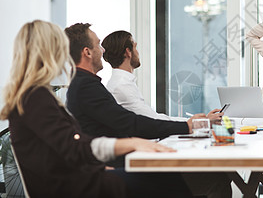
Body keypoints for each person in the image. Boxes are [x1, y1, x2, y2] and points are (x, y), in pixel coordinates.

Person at [0, 20, 193, 198]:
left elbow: (67, 146)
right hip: (71, 188)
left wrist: (99, 167)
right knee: (166, 180)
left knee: (163, 178)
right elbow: (74, 145)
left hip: (75, 181)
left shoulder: (33, 96)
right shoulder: (35, 98)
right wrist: (131, 144)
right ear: (52, 51)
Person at [65, 23, 232, 198]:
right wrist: (188, 127)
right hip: (119, 165)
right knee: (215, 179)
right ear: (87, 52)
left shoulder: (86, 84)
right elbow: (131, 123)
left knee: (210, 176)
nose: (102, 50)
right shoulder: (86, 87)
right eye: (98, 44)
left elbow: (129, 122)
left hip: (124, 160)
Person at [101, 30, 222, 122]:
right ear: (128, 52)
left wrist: (201, 120)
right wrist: (201, 121)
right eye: (135, 47)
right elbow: (154, 120)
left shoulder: (121, 83)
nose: (138, 52)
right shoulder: (122, 86)